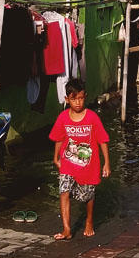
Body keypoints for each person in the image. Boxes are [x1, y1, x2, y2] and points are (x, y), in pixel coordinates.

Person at [49, 78, 111, 240]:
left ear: (85, 97)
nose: (78, 102)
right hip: (68, 163)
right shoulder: (63, 117)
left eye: (81, 98)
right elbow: (59, 139)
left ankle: (89, 220)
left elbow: (102, 140)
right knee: (64, 191)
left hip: (89, 165)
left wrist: (107, 163)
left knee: (88, 196)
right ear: (67, 99)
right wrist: (56, 157)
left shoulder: (92, 117)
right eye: (74, 98)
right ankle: (67, 229)